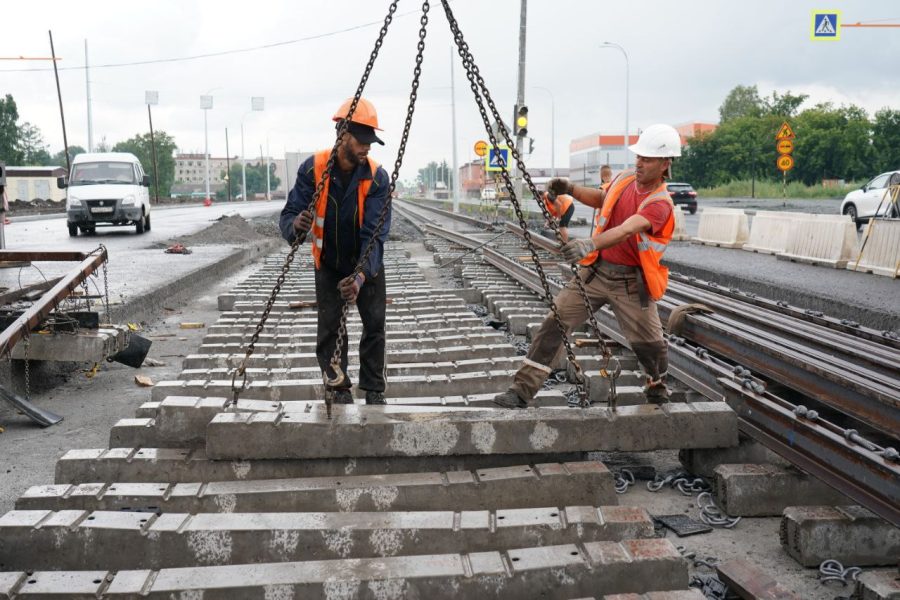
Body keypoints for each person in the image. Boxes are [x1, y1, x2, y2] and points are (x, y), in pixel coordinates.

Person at [494, 124, 681, 408]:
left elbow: (627, 229)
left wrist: (588, 244)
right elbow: (602, 198)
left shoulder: (660, 203)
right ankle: (520, 391)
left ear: (665, 164)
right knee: (553, 323)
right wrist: (570, 188)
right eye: (639, 156)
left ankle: (656, 389)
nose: (640, 162)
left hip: (633, 283)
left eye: (648, 158)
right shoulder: (624, 179)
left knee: (651, 346)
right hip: (595, 273)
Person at [279, 97, 391, 405]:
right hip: (328, 263)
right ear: (342, 134)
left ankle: (373, 388)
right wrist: (295, 227)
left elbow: (375, 236)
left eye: (371, 141)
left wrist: (359, 278)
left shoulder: (377, 178)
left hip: (365, 265)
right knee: (329, 328)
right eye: (361, 140)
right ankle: (338, 387)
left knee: (374, 325)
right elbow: (289, 214)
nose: (367, 147)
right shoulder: (313, 169)